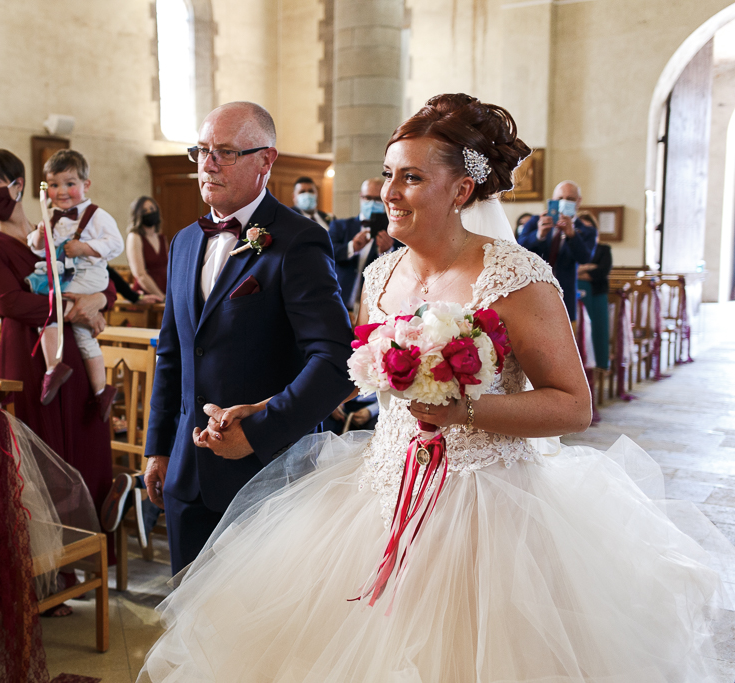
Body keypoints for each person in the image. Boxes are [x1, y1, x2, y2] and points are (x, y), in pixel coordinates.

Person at [137, 94, 732, 682]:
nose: (390, 194)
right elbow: (357, 375)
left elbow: (574, 408)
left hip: (484, 506)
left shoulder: (514, 278)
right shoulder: (381, 275)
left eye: (412, 177)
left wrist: (464, 409)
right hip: (377, 493)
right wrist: (261, 410)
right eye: (388, 175)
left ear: (462, 190)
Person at [142, 101, 355, 574]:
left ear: (266, 161)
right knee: (189, 632)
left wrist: (256, 434)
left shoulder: (298, 240)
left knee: (261, 637)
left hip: (267, 476)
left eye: (225, 152)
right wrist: (158, 447)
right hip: (187, 473)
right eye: (201, 151)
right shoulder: (184, 242)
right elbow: (173, 354)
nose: (209, 163)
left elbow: (336, 359)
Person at [0, 149, 119, 597]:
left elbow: (103, 275)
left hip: (74, 351)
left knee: (84, 453)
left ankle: (85, 562)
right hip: (29, 362)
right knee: (39, 463)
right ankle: (45, 577)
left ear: (17, 185)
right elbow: (9, 303)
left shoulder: (56, 228)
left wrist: (101, 300)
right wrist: (77, 307)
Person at [25, 150, 123, 416]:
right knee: (82, 337)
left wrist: (85, 248)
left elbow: (116, 244)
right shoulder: (52, 217)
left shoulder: (97, 215)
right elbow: (38, 250)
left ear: (85, 185)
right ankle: (101, 391)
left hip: (89, 275)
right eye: (55, 185)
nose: (62, 191)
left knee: (52, 309)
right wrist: (38, 236)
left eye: (70, 183)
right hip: (67, 275)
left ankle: (55, 367)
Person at [517, 181, 597, 322]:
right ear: (553, 200)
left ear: (578, 202)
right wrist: (539, 235)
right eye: (560, 198)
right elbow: (518, 248)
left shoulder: (586, 230)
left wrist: (572, 235)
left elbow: (585, 257)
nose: (564, 202)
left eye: (570, 199)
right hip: (533, 290)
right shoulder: (536, 221)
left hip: (565, 293)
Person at [328, 177, 401, 309]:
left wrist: (388, 251)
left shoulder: (395, 234)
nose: (372, 203)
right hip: (339, 303)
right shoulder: (340, 226)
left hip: (374, 307)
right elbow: (326, 255)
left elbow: (402, 270)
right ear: (361, 197)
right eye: (367, 198)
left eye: (377, 199)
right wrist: (351, 247)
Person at [577, 213, 612, 371]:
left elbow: (601, 272)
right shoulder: (573, 247)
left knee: (598, 329)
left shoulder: (603, 249)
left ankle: (599, 365)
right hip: (574, 294)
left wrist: (578, 272)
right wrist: (587, 268)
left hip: (596, 293)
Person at [125, 196, 168, 299]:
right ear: (138, 215)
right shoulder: (135, 237)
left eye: (152, 209)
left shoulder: (161, 237)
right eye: (145, 211)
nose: (150, 212)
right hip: (146, 294)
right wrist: (160, 296)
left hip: (165, 290)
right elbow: (140, 274)